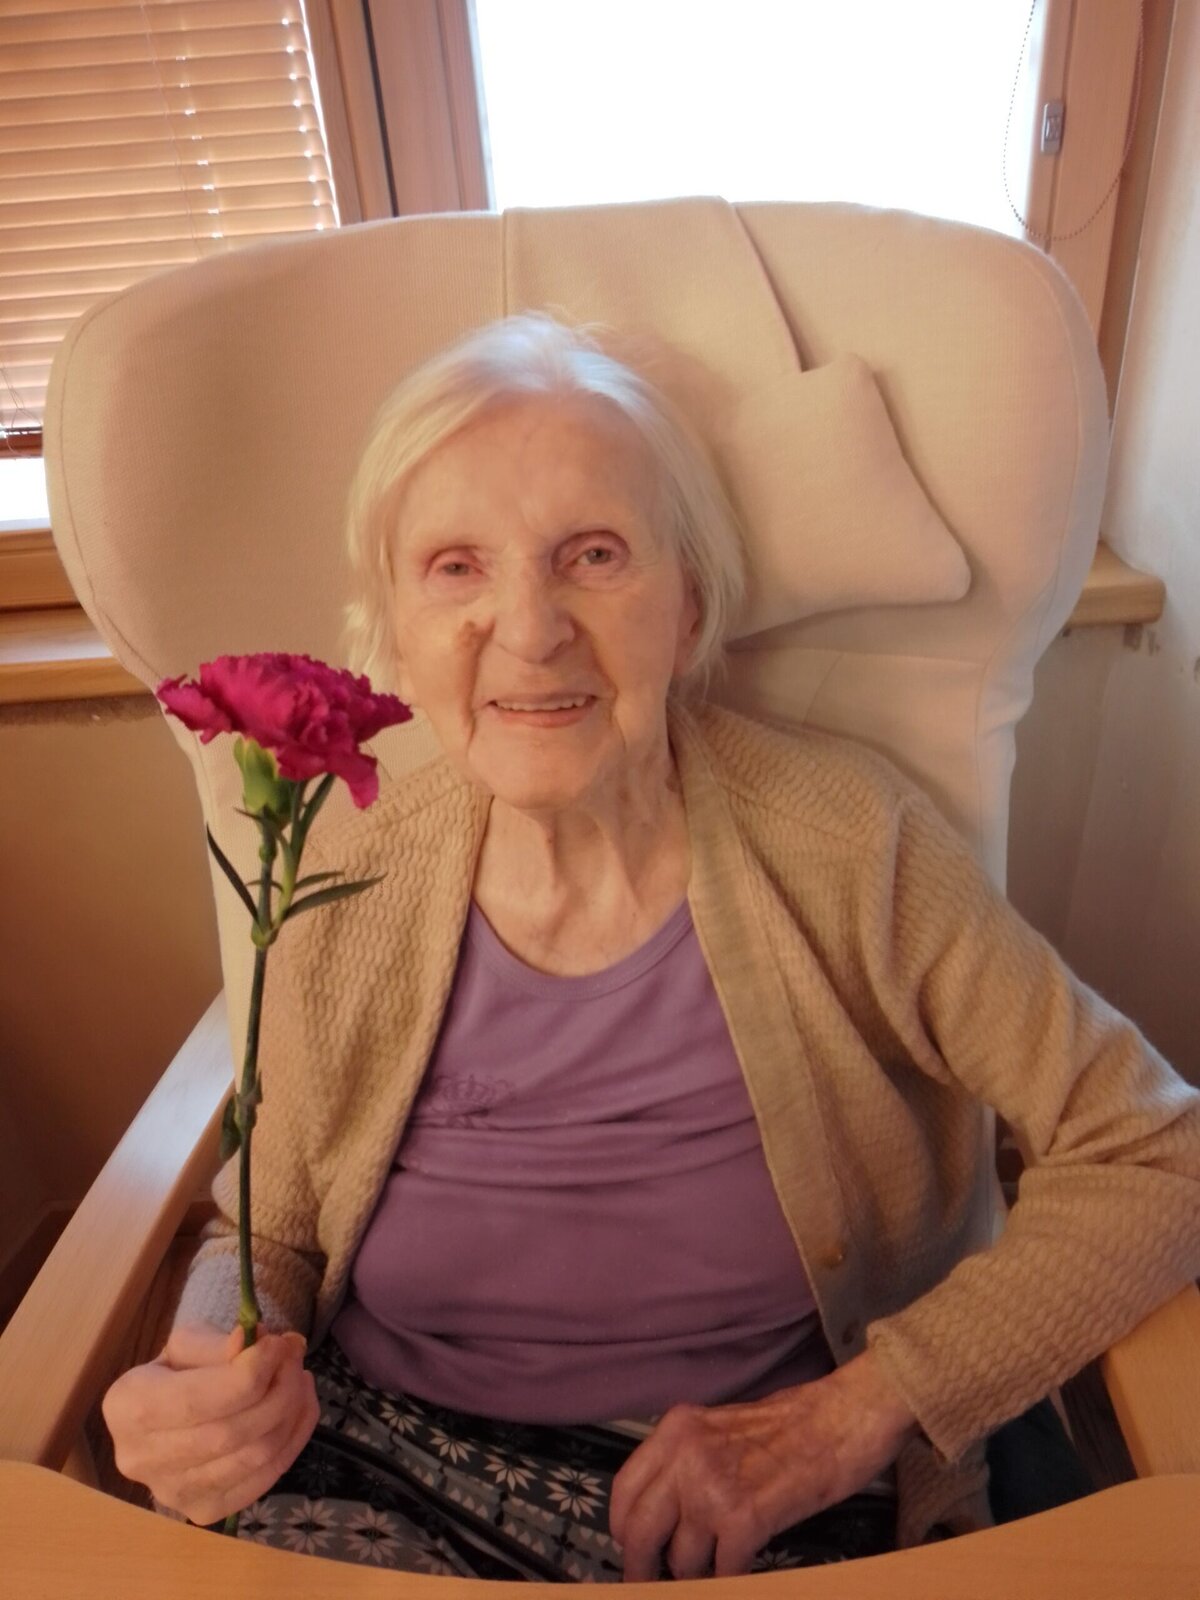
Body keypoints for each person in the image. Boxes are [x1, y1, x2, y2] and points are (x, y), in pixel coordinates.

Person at [101, 312, 1200, 1581]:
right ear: (394, 632)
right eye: (456, 566)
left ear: (688, 609)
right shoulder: (351, 881)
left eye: (595, 555)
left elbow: (1158, 1149)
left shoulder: (849, 848)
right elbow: (273, 1231)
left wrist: (854, 1413)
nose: (530, 629)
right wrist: (205, 1361)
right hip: (381, 1481)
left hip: (772, 1499)